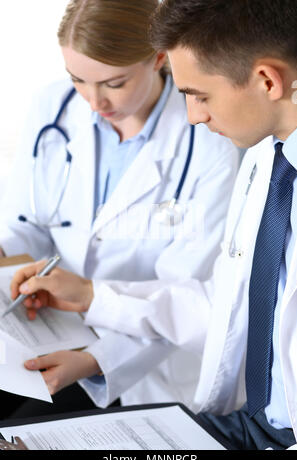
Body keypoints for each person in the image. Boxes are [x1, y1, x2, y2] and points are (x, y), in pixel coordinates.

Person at [0, 0, 239, 417]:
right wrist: (6, 255)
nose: (94, 101)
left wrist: (98, 360)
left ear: (158, 57)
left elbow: (188, 297)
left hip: (148, 364)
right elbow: (29, 224)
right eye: (78, 79)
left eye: (114, 83)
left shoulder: (211, 143)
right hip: (50, 329)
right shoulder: (51, 106)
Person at [148, 0, 297, 451]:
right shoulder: (264, 158)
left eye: (200, 95)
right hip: (248, 425)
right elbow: (232, 301)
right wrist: (94, 301)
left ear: (267, 80)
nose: (194, 115)